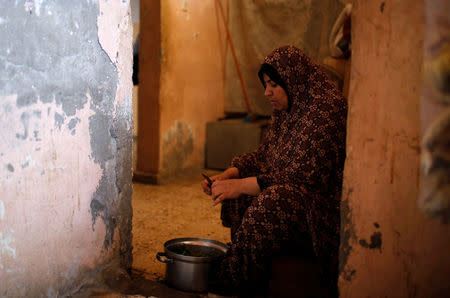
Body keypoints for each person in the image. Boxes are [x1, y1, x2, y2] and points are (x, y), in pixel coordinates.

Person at [201, 45, 347, 296]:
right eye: (265, 84)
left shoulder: (327, 110)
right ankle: (247, 263)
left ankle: (237, 277)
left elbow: (302, 176)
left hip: (319, 205)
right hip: (289, 186)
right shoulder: (287, 108)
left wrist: (241, 185)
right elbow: (265, 155)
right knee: (245, 186)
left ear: (293, 79)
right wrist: (230, 174)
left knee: (270, 200)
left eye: (273, 84)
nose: (267, 92)